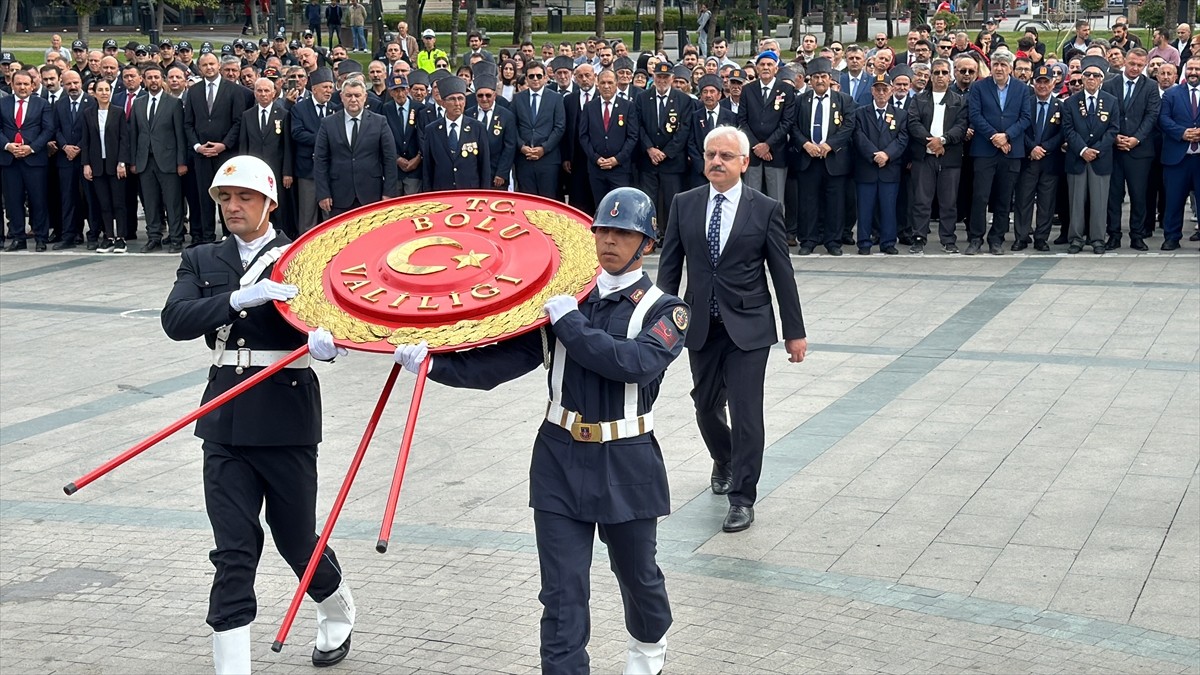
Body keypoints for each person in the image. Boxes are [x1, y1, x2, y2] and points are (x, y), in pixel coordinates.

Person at [394, 186, 685, 674]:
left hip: (627, 458)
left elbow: (632, 363)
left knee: (639, 579)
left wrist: (570, 323)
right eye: (603, 231)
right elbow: (501, 363)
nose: (609, 241)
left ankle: (648, 651)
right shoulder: (565, 298)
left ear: (647, 245)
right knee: (561, 593)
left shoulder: (664, 308)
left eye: (623, 233)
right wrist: (432, 363)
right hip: (559, 458)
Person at [160, 156, 355, 675]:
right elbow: (176, 320)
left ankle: (335, 607)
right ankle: (233, 667)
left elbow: (336, 326)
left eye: (244, 197)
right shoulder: (201, 258)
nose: (233, 207)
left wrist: (328, 345)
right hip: (223, 417)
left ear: (269, 202)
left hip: (286, 411)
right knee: (234, 547)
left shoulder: (299, 257)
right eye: (225, 198)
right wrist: (240, 297)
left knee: (295, 537)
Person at [657, 126, 807, 534]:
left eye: (725, 156)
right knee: (705, 406)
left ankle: (743, 497)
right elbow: (669, 270)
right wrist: (655, 324)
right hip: (701, 327)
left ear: (744, 162)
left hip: (750, 327)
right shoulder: (685, 204)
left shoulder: (764, 208)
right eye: (710, 155)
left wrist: (794, 331)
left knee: (746, 413)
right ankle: (723, 458)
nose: (716, 162)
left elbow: (782, 274)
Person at [965, 49, 1032, 255]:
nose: (999, 68)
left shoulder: (1021, 89)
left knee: (1004, 198)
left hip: (1011, 151)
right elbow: (975, 115)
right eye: (996, 64)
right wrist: (995, 136)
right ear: (991, 67)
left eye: (1004, 64)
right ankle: (976, 238)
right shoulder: (978, 87)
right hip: (985, 150)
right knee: (980, 197)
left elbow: (1025, 117)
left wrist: (1007, 136)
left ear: (1010, 68)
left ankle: (997, 238)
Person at [792, 58, 856, 256]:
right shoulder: (800, 100)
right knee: (808, 202)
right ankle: (808, 240)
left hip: (834, 160)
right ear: (810, 80)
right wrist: (805, 144)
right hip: (808, 159)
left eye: (824, 77)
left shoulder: (843, 100)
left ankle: (833, 241)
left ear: (830, 78)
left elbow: (849, 126)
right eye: (816, 77)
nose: (820, 80)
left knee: (835, 203)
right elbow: (792, 126)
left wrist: (830, 144)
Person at [185, 53, 250, 244]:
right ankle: (207, 238)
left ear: (219, 65)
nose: (209, 68)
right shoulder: (194, 91)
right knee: (204, 197)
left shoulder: (233, 90)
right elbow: (188, 123)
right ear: (199, 68)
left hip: (226, 155)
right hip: (202, 154)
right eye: (205, 65)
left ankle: (230, 237)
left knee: (227, 196)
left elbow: (238, 122)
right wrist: (197, 146)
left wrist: (224, 145)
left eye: (212, 64)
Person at [906, 57, 969, 254]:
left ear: (950, 76)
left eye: (944, 73)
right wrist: (931, 142)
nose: (940, 76)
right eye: (936, 73)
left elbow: (961, 126)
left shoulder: (959, 101)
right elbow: (913, 123)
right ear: (931, 76)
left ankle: (948, 239)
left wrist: (942, 140)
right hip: (924, 157)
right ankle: (919, 237)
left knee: (949, 202)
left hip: (949, 158)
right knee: (921, 200)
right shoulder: (919, 99)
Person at [1102, 48, 1159, 251]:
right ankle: (1114, 234)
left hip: (1139, 151)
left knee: (1138, 195)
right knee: (1114, 195)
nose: (1135, 68)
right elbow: (1106, 114)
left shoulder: (1151, 87)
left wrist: (1136, 139)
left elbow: (1151, 116)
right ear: (1125, 61)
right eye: (1132, 63)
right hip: (1115, 149)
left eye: (1139, 65)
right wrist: (1115, 136)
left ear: (1145, 65)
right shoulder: (1109, 85)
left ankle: (1137, 235)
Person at [314, 78, 397, 216]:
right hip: (339, 195)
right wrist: (323, 193)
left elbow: (389, 159)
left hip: (372, 194)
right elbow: (320, 160)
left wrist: (388, 193)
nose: (353, 99)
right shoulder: (328, 123)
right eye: (349, 95)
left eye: (357, 95)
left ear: (365, 97)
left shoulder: (380, 122)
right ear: (341, 97)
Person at [1063, 56, 1120, 254]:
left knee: (1099, 201)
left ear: (1102, 79)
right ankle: (1076, 238)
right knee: (1076, 201)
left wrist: (1096, 150)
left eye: (1096, 75)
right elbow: (1068, 130)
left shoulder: (1111, 101)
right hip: (1077, 157)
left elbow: (1113, 130)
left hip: (1100, 158)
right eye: (1087, 75)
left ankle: (1097, 238)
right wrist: (1082, 150)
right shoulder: (1070, 102)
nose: (1091, 78)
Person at [129, 64, 189, 253]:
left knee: (173, 202)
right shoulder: (138, 103)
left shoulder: (173, 103)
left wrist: (181, 162)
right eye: (149, 78)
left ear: (162, 79)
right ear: (144, 80)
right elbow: (134, 135)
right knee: (150, 202)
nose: (153, 81)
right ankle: (154, 237)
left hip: (169, 161)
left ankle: (176, 237)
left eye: (156, 77)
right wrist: (133, 161)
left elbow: (180, 135)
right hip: (145, 161)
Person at [854, 72, 909, 255]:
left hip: (889, 169)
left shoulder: (900, 114)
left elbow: (902, 139)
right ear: (872, 91)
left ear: (891, 91)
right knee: (865, 208)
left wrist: (887, 154)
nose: (881, 92)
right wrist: (874, 154)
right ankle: (863, 242)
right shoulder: (860, 113)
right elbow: (859, 137)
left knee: (888, 208)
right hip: (867, 168)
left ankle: (888, 242)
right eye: (878, 89)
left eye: (885, 89)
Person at [1012, 65, 1066, 252]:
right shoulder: (1024, 103)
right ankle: (1021, 236)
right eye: (1039, 81)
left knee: (1047, 202)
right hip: (1028, 159)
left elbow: (1063, 133)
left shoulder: (1061, 106)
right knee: (1023, 200)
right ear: (1033, 83)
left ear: (1054, 83)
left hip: (1050, 161)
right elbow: (1019, 128)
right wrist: (1032, 147)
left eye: (1046, 82)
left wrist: (1044, 148)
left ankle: (1041, 238)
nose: (1043, 86)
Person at [1, 69, 55, 251]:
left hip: (34, 161)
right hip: (9, 160)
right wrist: (8, 146)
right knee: (12, 200)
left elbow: (48, 130)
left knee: (38, 200)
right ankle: (18, 237)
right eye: (19, 84)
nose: (22, 87)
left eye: (26, 84)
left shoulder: (42, 104)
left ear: (32, 85)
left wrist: (31, 148)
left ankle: (41, 237)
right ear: (12, 85)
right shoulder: (3, 103)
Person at [79, 78, 128, 254]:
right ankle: (108, 237)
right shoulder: (87, 113)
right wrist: (86, 164)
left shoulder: (118, 112)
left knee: (118, 203)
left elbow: (124, 139)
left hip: (115, 165)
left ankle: (121, 237)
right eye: (100, 90)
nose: (104, 93)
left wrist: (122, 162)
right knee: (104, 203)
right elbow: (85, 140)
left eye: (107, 89)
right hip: (97, 164)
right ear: (94, 93)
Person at [1157, 55, 1200, 251]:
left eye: (1197, 69)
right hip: (1177, 158)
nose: (1193, 72)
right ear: (1184, 71)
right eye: (1190, 68)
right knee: (1173, 201)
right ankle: (1172, 237)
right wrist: (1182, 133)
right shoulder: (1171, 94)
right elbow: (1163, 119)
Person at [420, 75, 490, 189]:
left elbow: (484, 167)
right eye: (452, 99)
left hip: (470, 193)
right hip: (442, 192)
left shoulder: (478, 128)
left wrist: (484, 195)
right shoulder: (431, 130)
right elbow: (428, 168)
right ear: (443, 103)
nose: (457, 103)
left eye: (461, 98)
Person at [512, 61, 566, 198]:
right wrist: (521, 147)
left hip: (548, 160)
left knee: (549, 201)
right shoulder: (518, 99)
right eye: (531, 76)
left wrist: (544, 148)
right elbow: (512, 127)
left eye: (538, 75)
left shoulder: (556, 98)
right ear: (526, 78)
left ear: (545, 77)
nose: (535, 79)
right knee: (527, 201)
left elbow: (559, 127)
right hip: (524, 160)